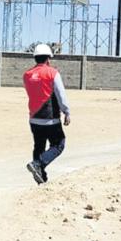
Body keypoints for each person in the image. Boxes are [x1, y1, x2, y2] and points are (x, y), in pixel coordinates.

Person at [23, 43, 70, 185]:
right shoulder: (52, 73)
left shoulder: (27, 75)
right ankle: (38, 164)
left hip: (34, 118)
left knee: (39, 146)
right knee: (59, 144)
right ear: (48, 58)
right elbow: (61, 94)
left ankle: (41, 177)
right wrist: (66, 111)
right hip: (50, 118)